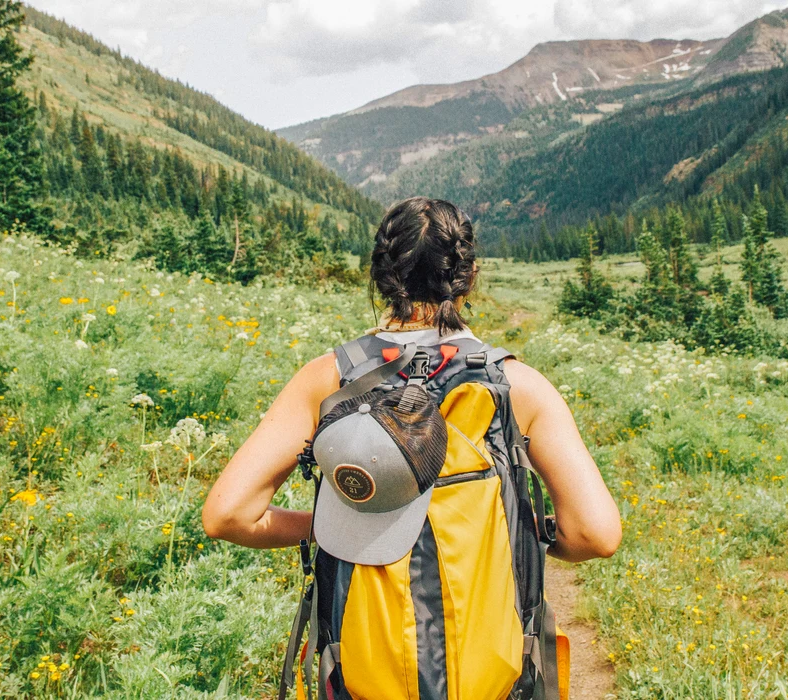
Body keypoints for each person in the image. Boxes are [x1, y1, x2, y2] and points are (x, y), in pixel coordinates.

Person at [202, 197, 620, 698]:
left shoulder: (328, 380)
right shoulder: (517, 386)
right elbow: (596, 535)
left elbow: (228, 515)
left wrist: (334, 525)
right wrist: (525, 531)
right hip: (492, 679)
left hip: (364, 677)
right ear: (469, 276)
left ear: (380, 276)